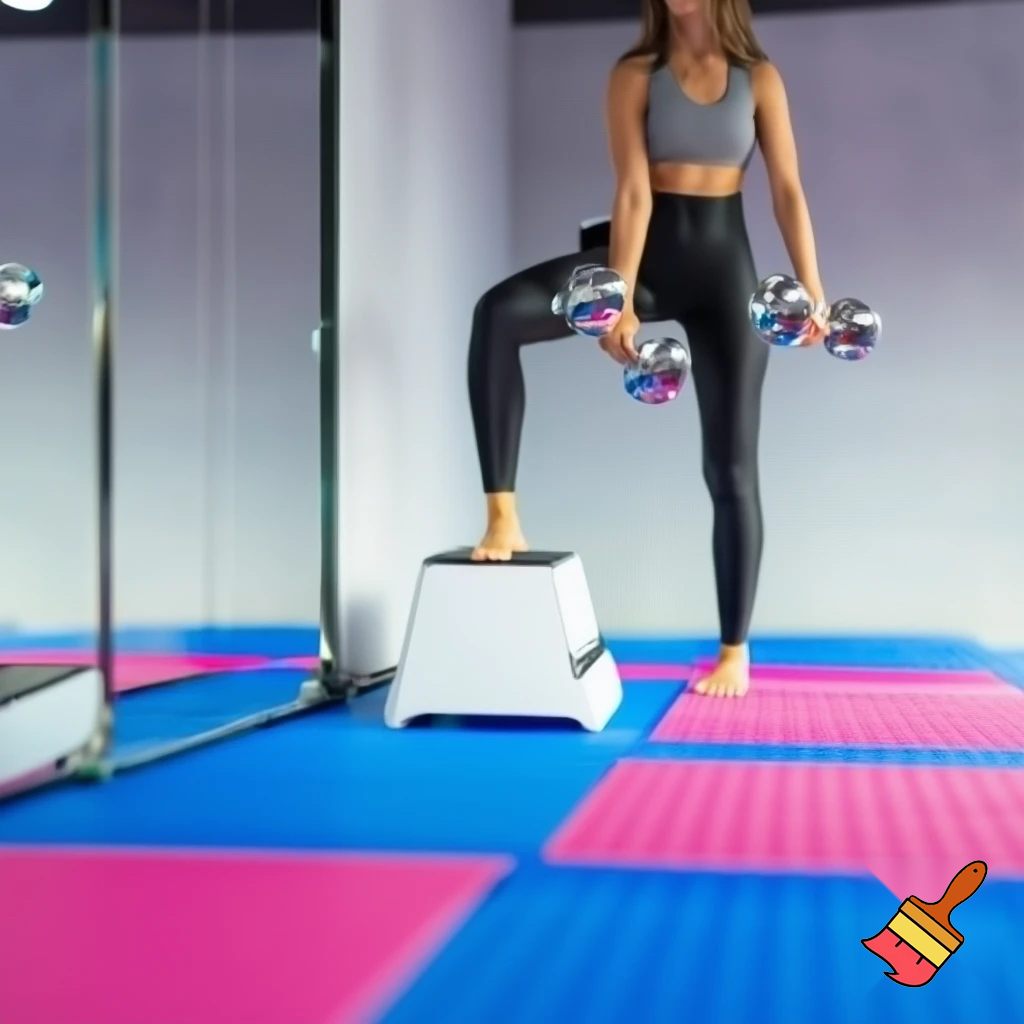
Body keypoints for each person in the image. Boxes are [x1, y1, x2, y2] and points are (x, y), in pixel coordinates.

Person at [466, 0, 827, 698]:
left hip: (728, 280)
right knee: (497, 315)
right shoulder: (635, 74)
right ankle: (502, 515)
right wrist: (622, 295)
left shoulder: (761, 78)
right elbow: (633, 192)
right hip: (650, 263)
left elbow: (787, 189)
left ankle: (733, 650)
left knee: (731, 470)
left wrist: (812, 288)